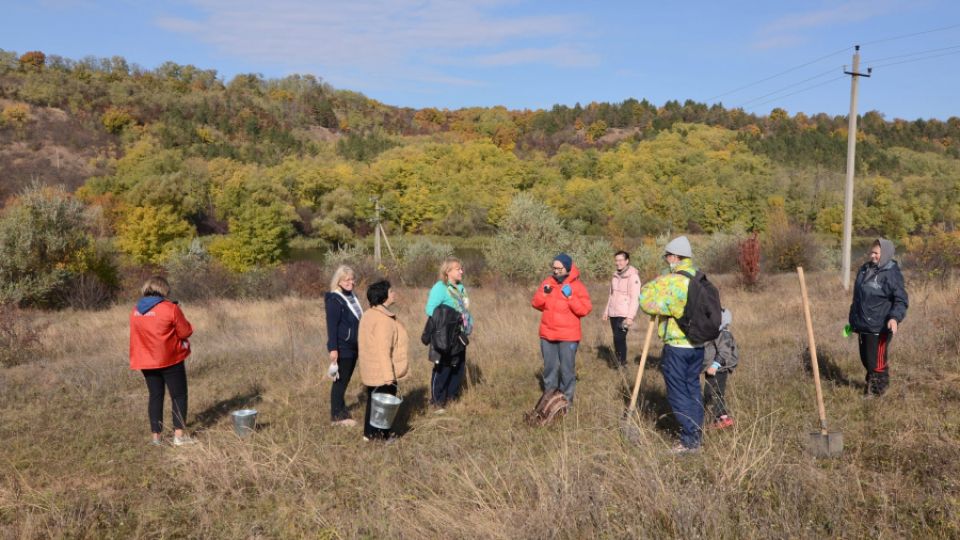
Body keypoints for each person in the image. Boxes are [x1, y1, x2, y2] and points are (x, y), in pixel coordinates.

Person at [638, 236, 705, 453]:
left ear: (675, 257)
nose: (666, 260)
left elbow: (645, 301)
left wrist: (657, 286)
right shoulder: (700, 277)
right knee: (692, 388)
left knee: (677, 392)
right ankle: (696, 432)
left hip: (677, 344)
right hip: (698, 344)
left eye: (667, 256)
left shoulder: (670, 280)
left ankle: (688, 441)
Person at [129, 276, 196, 446]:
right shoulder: (170, 308)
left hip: (145, 360)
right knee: (179, 395)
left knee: (155, 396)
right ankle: (179, 437)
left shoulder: (136, 310)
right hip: (170, 358)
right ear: (163, 289)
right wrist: (178, 311)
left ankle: (156, 438)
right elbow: (185, 332)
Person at [849, 238, 908, 397]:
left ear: (886, 254)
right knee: (867, 360)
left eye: (877, 253)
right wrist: (853, 322)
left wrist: (894, 318)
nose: (873, 256)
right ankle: (871, 384)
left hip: (880, 326)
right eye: (872, 252)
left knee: (877, 361)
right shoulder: (864, 269)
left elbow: (901, 300)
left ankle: (877, 392)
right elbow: (858, 298)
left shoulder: (891, 274)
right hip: (863, 325)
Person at [531, 253, 592, 404]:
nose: (556, 271)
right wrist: (544, 294)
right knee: (549, 370)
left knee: (566, 371)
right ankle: (549, 400)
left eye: (559, 268)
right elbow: (536, 304)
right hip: (547, 335)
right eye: (554, 268)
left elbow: (584, 310)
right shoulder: (548, 282)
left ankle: (566, 403)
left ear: (568, 268)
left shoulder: (577, 286)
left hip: (568, 336)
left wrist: (571, 297)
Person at [358, 280, 409, 441]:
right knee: (383, 406)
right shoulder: (383, 320)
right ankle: (380, 438)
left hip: (371, 369)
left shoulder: (369, 314)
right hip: (382, 372)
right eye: (391, 291)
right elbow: (383, 350)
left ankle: (369, 434)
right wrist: (388, 377)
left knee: (373, 404)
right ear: (384, 296)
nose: (394, 293)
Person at [424, 257, 473, 411]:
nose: (461, 271)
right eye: (458, 269)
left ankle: (451, 398)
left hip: (460, 335)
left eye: (461, 268)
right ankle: (437, 402)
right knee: (443, 368)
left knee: (457, 367)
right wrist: (450, 319)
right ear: (448, 271)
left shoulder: (461, 287)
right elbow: (430, 309)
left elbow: (464, 309)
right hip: (445, 336)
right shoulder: (440, 287)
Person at [325, 265, 363, 427]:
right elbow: (332, 326)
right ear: (338, 281)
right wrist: (333, 349)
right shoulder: (335, 299)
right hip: (342, 346)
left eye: (352, 279)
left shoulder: (352, 296)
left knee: (345, 380)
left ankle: (341, 409)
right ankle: (337, 416)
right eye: (346, 279)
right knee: (340, 382)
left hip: (354, 345)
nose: (350, 282)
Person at [602, 250, 642, 368]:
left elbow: (635, 298)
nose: (618, 263)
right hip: (613, 312)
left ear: (627, 261)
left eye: (620, 260)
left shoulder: (633, 276)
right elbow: (611, 294)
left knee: (620, 337)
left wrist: (630, 317)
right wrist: (606, 311)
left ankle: (622, 363)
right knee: (616, 337)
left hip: (624, 313)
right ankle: (619, 361)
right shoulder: (615, 275)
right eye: (616, 260)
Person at [703, 308, 738, 430]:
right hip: (712, 369)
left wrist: (714, 366)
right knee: (712, 392)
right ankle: (721, 418)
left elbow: (724, 352)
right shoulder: (715, 333)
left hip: (718, 369)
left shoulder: (723, 334)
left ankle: (721, 419)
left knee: (713, 393)